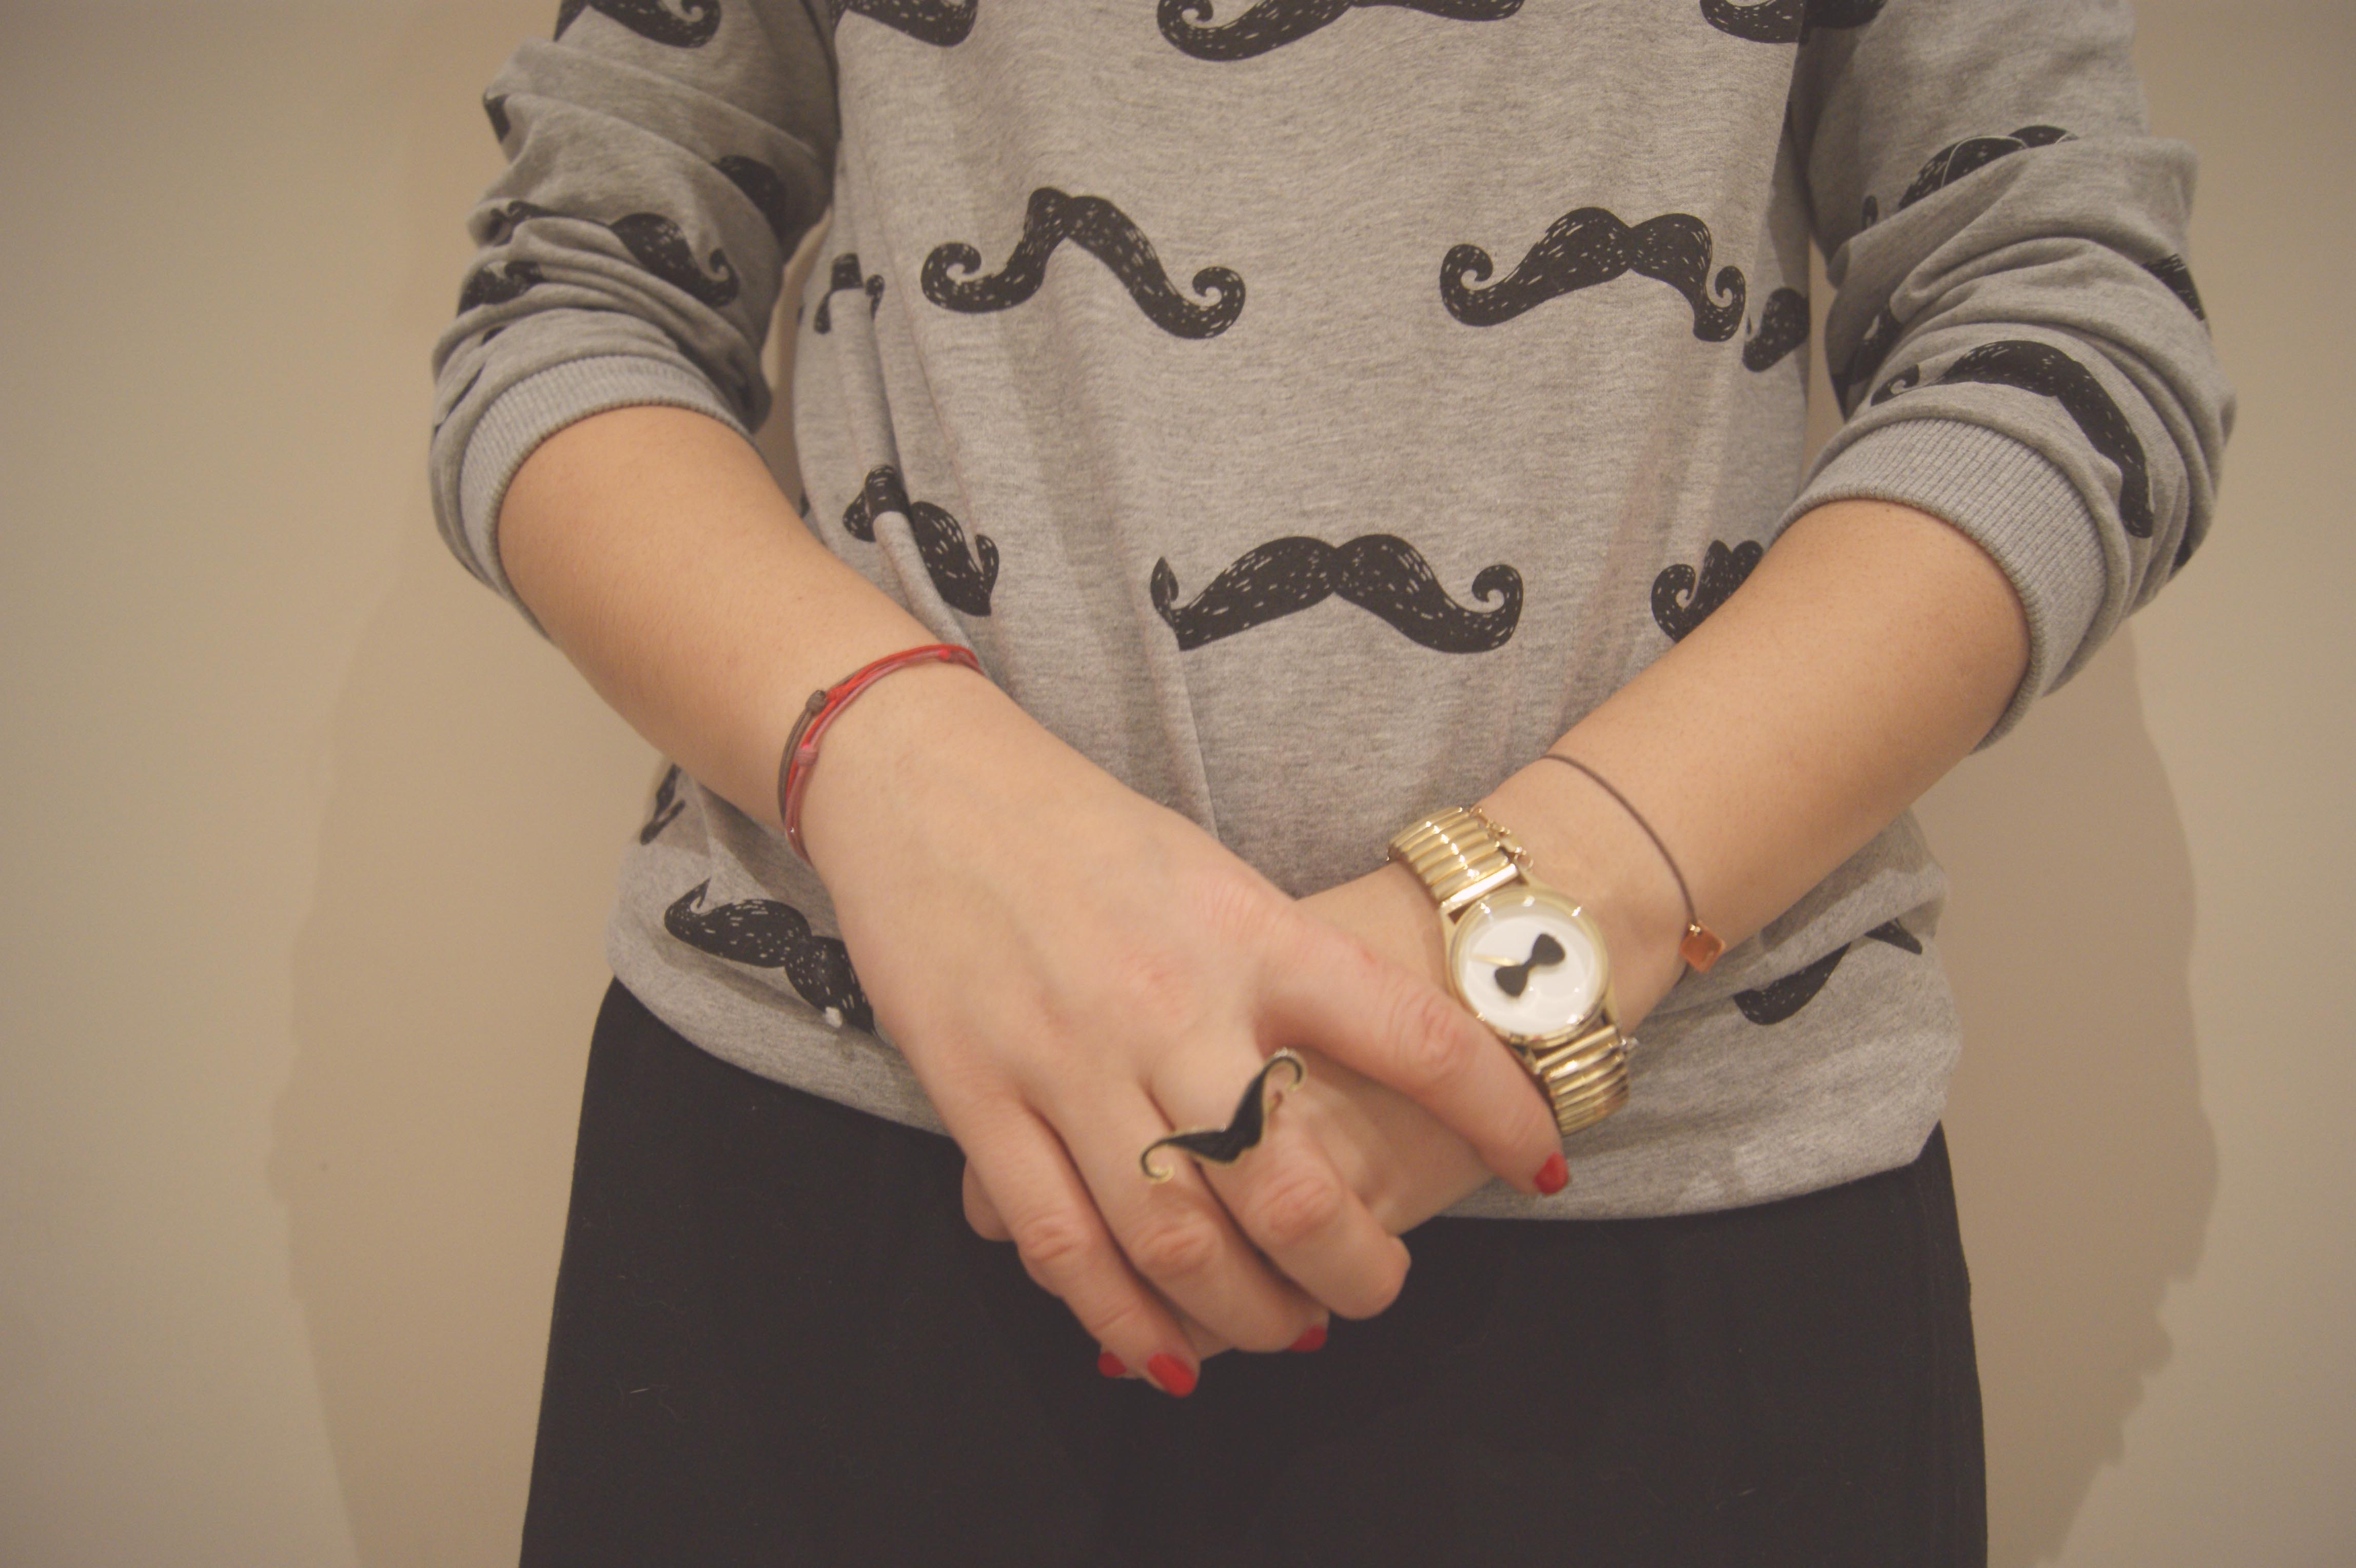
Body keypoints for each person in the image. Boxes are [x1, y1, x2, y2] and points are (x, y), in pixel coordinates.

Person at [430, 2, 2230, 1561]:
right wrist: (908, 774)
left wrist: (1516, 946)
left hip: (1684, 1197)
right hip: (847, 1150)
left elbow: (2064, 328)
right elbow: (574, 287)